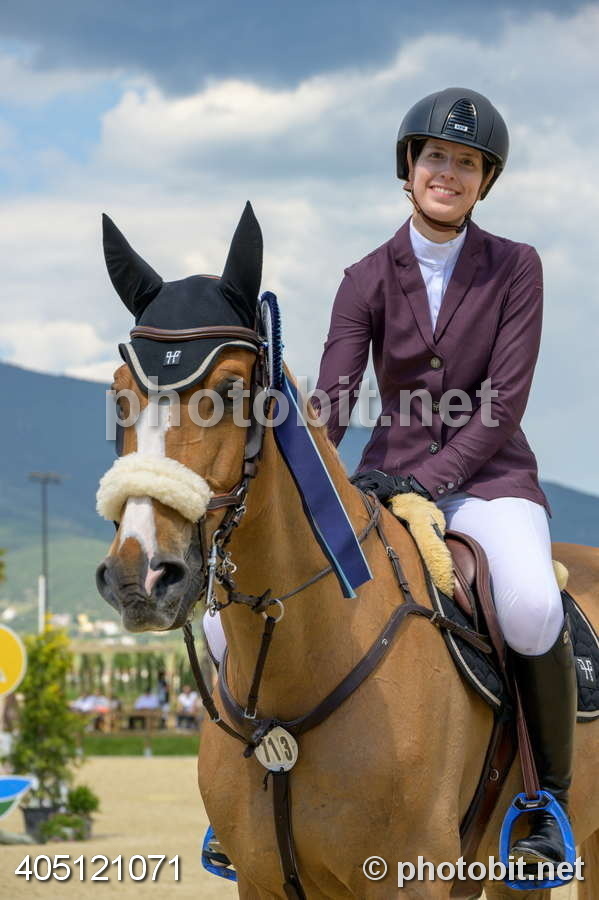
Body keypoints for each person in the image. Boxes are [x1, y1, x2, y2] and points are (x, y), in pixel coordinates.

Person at [313, 87, 576, 867]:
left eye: (466, 163)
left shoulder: (516, 267)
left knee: (531, 609)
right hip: (385, 485)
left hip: (489, 481)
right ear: (409, 166)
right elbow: (332, 401)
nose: (448, 173)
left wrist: (430, 479)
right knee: (291, 596)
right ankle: (257, 785)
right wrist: (305, 478)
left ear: (483, 181)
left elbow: (502, 402)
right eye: (435, 156)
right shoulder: (364, 277)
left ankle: (545, 805)